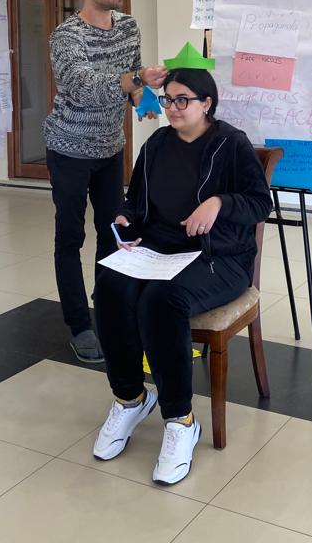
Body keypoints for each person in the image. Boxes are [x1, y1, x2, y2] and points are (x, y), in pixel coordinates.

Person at [92, 67, 272, 485]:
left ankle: (180, 419)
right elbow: (136, 201)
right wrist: (126, 218)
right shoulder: (157, 143)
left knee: (162, 300)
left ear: (206, 103)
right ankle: (130, 398)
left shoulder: (231, 144)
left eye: (182, 100)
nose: (172, 108)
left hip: (219, 257)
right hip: (160, 250)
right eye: (167, 100)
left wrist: (219, 203)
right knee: (110, 286)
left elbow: (260, 203)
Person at [44, 0, 167, 364]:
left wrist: (143, 98)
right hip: (68, 149)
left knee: (113, 231)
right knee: (70, 237)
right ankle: (79, 324)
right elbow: (82, 88)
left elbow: (132, 80)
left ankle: (109, 308)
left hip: (111, 146)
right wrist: (135, 78)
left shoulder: (128, 26)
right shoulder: (66, 36)